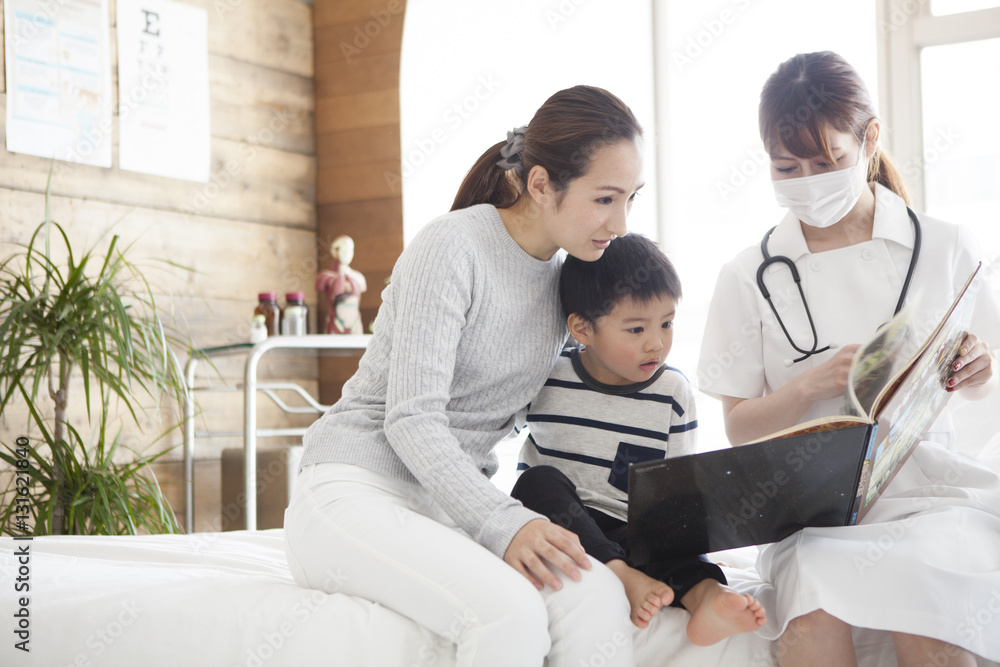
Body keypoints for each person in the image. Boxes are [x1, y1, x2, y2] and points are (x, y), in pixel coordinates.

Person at [283, 85, 647, 666]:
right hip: (353, 489)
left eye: (631, 197)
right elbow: (411, 418)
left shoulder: (567, 282)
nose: (621, 221)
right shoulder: (453, 246)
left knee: (595, 597)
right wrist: (506, 522)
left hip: (446, 510)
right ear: (540, 184)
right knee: (509, 612)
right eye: (605, 198)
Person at [697, 51, 1000, 667]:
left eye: (829, 160)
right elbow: (737, 425)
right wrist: (809, 388)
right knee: (813, 599)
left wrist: (978, 367)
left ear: (871, 138)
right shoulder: (748, 274)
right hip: (815, 510)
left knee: (926, 585)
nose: (809, 178)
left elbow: (981, 379)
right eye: (788, 166)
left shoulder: (944, 244)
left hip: (930, 493)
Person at [511, 232, 767, 645]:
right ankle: (620, 575)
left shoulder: (673, 393)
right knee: (535, 483)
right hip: (563, 525)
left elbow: (677, 488)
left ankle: (707, 597)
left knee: (676, 530)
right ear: (582, 328)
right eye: (635, 329)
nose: (656, 343)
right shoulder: (547, 375)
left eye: (666, 323)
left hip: (632, 529)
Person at [316, 234, 367, 334]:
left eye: (350, 249)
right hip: (335, 323)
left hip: (355, 325)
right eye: (343, 249)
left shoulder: (358, 277)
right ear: (335, 251)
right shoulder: (325, 276)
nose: (347, 253)